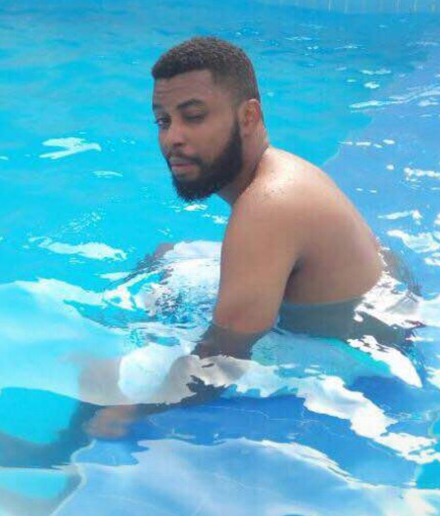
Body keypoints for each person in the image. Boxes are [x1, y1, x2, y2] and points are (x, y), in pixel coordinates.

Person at [83, 36, 416, 437]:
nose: (173, 138)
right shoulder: (281, 173)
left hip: (353, 357)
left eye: (194, 116)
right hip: (377, 311)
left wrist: (132, 414)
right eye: (164, 121)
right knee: (165, 256)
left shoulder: (269, 205)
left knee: (104, 374)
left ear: (248, 116)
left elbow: (223, 357)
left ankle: (53, 457)